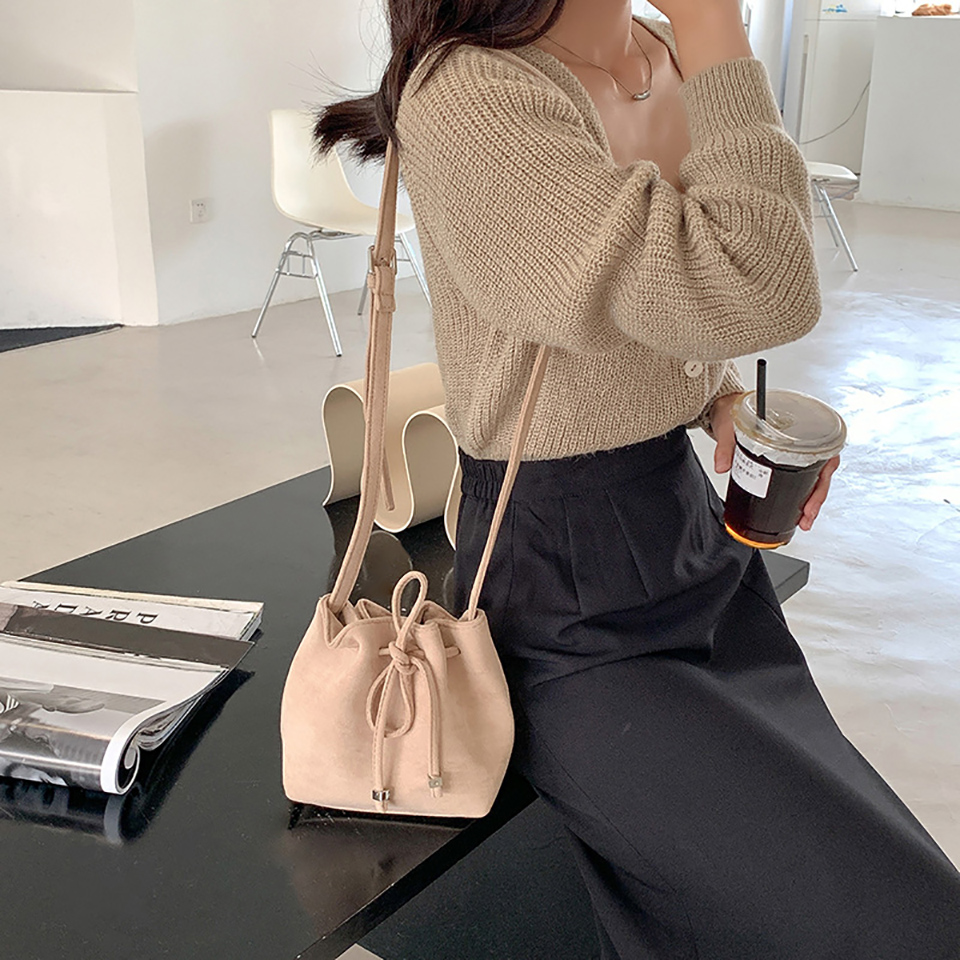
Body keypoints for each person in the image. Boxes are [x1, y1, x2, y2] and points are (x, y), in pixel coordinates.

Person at [314, 0, 960, 955]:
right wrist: (718, 30)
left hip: (694, 542)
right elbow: (763, 282)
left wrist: (718, 399)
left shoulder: (655, 41)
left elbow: (649, 299)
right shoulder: (472, 92)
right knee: (899, 922)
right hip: (564, 595)